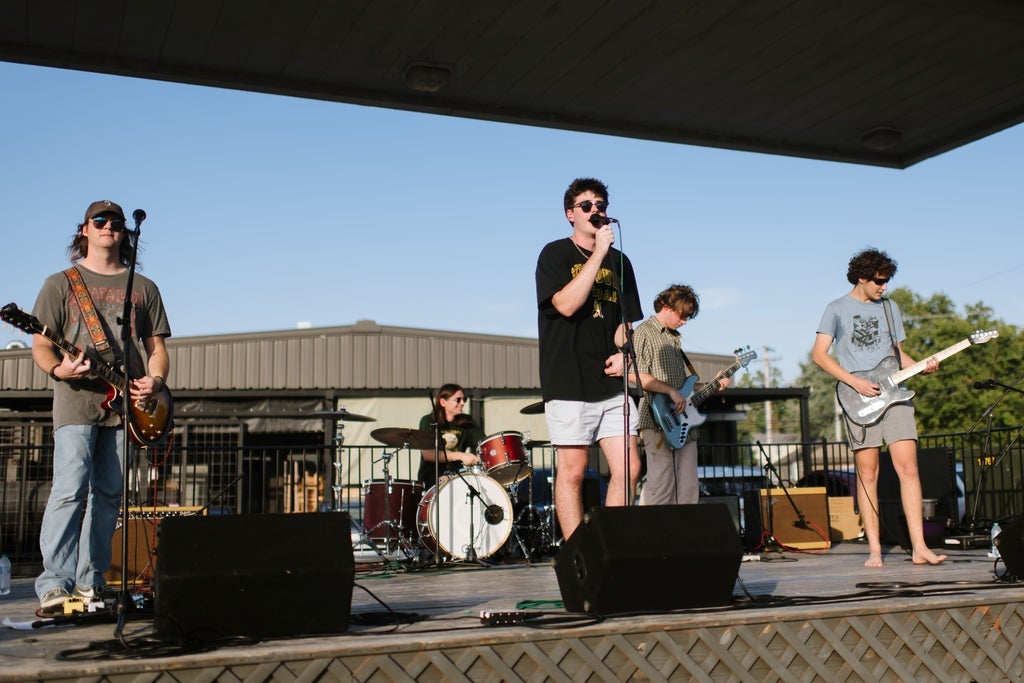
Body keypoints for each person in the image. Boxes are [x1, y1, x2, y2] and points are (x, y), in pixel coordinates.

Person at [31, 200, 171, 616]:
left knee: (109, 496)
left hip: (125, 408)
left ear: (125, 233)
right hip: (76, 402)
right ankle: (55, 584)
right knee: (70, 491)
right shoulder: (61, 283)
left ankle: (92, 582)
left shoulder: (143, 288)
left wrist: (156, 380)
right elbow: (40, 342)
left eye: (116, 222)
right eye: (100, 220)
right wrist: (59, 368)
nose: (109, 226)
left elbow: (157, 348)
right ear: (84, 230)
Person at [812, 247, 945, 567]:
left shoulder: (890, 308)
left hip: (895, 394)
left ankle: (919, 547)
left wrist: (922, 365)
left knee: (909, 468)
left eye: (887, 281)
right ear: (862, 277)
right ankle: (874, 550)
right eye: (879, 281)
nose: (884, 287)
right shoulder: (836, 308)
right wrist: (854, 382)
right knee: (868, 472)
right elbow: (819, 355)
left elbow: (897, 354)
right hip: (859, 396)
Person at [535, 177, 643, 541]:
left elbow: (625, 324)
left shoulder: (621, 262)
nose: (595, 211)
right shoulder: (555, 254)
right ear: (570, 214)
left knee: (629, 467)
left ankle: (610, 544)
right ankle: (577, 553)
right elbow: (565, 305)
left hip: (609, 382)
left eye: (600, 205)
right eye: (586, 206)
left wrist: (625, 354)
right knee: (574, 471)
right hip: (568, 379)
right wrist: (598, 253)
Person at [634, 284, 729, 505]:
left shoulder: (675, 338)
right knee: (661, 486)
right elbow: (634, 375)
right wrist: (670, 391)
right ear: (667, 307)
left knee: (688, 488)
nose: (684, 321)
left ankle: (685, 536)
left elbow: (684, 388)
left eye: (688, 317)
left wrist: (714, 384)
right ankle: (652, 536)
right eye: (682, 315)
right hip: (657, 420)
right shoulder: (643, 333)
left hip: (686, 423)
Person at [417, 383, 483, 492]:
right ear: (443, 402)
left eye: (464, 399)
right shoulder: (428, 421)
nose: (462, 403)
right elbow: (428, 454)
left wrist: (479, 458)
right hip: (431, 479)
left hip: (459, 477)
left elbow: (483, 445)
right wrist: (461, 456)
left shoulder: (467, 422)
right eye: (458, 400)